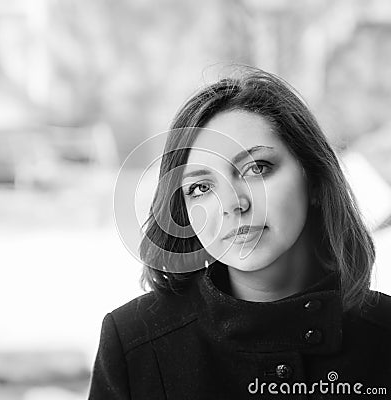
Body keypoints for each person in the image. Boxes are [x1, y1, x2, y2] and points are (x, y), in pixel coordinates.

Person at [88, 67, 391, 399]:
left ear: (315, 179)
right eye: (201, 187)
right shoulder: (133, 343)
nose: (232, 203)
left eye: (256, 168)